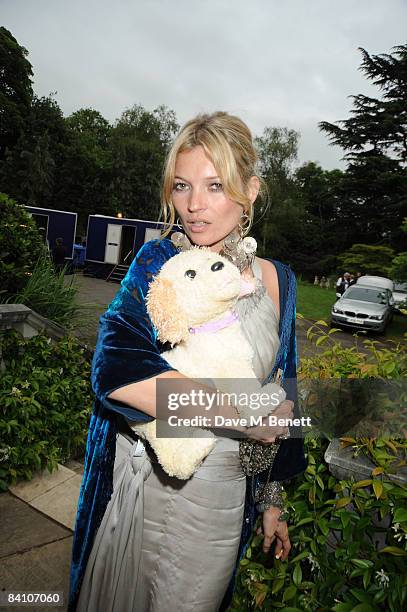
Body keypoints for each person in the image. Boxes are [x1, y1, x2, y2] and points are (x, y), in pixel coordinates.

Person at [68, 112, 307, 612]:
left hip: (223, 499)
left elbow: (286, 392)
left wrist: (272, 502)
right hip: (154, 482)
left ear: (251, 189)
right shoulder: (158, 263)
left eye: (215, 185)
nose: (194, 206)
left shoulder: (280, 280)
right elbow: (116, 374)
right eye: (182, 186)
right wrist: (241, 419)